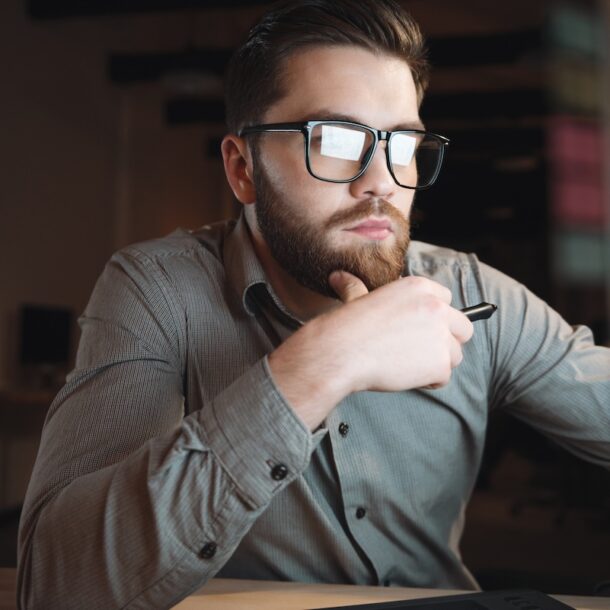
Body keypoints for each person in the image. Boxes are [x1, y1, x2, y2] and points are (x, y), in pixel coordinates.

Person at [18, 0, 610, 608]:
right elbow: (57, 587)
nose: (381, 180)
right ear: (243, 168)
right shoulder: (157, 289)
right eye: (336, 139)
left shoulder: (475, 294)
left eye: (402, 146)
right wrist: (319, 366)